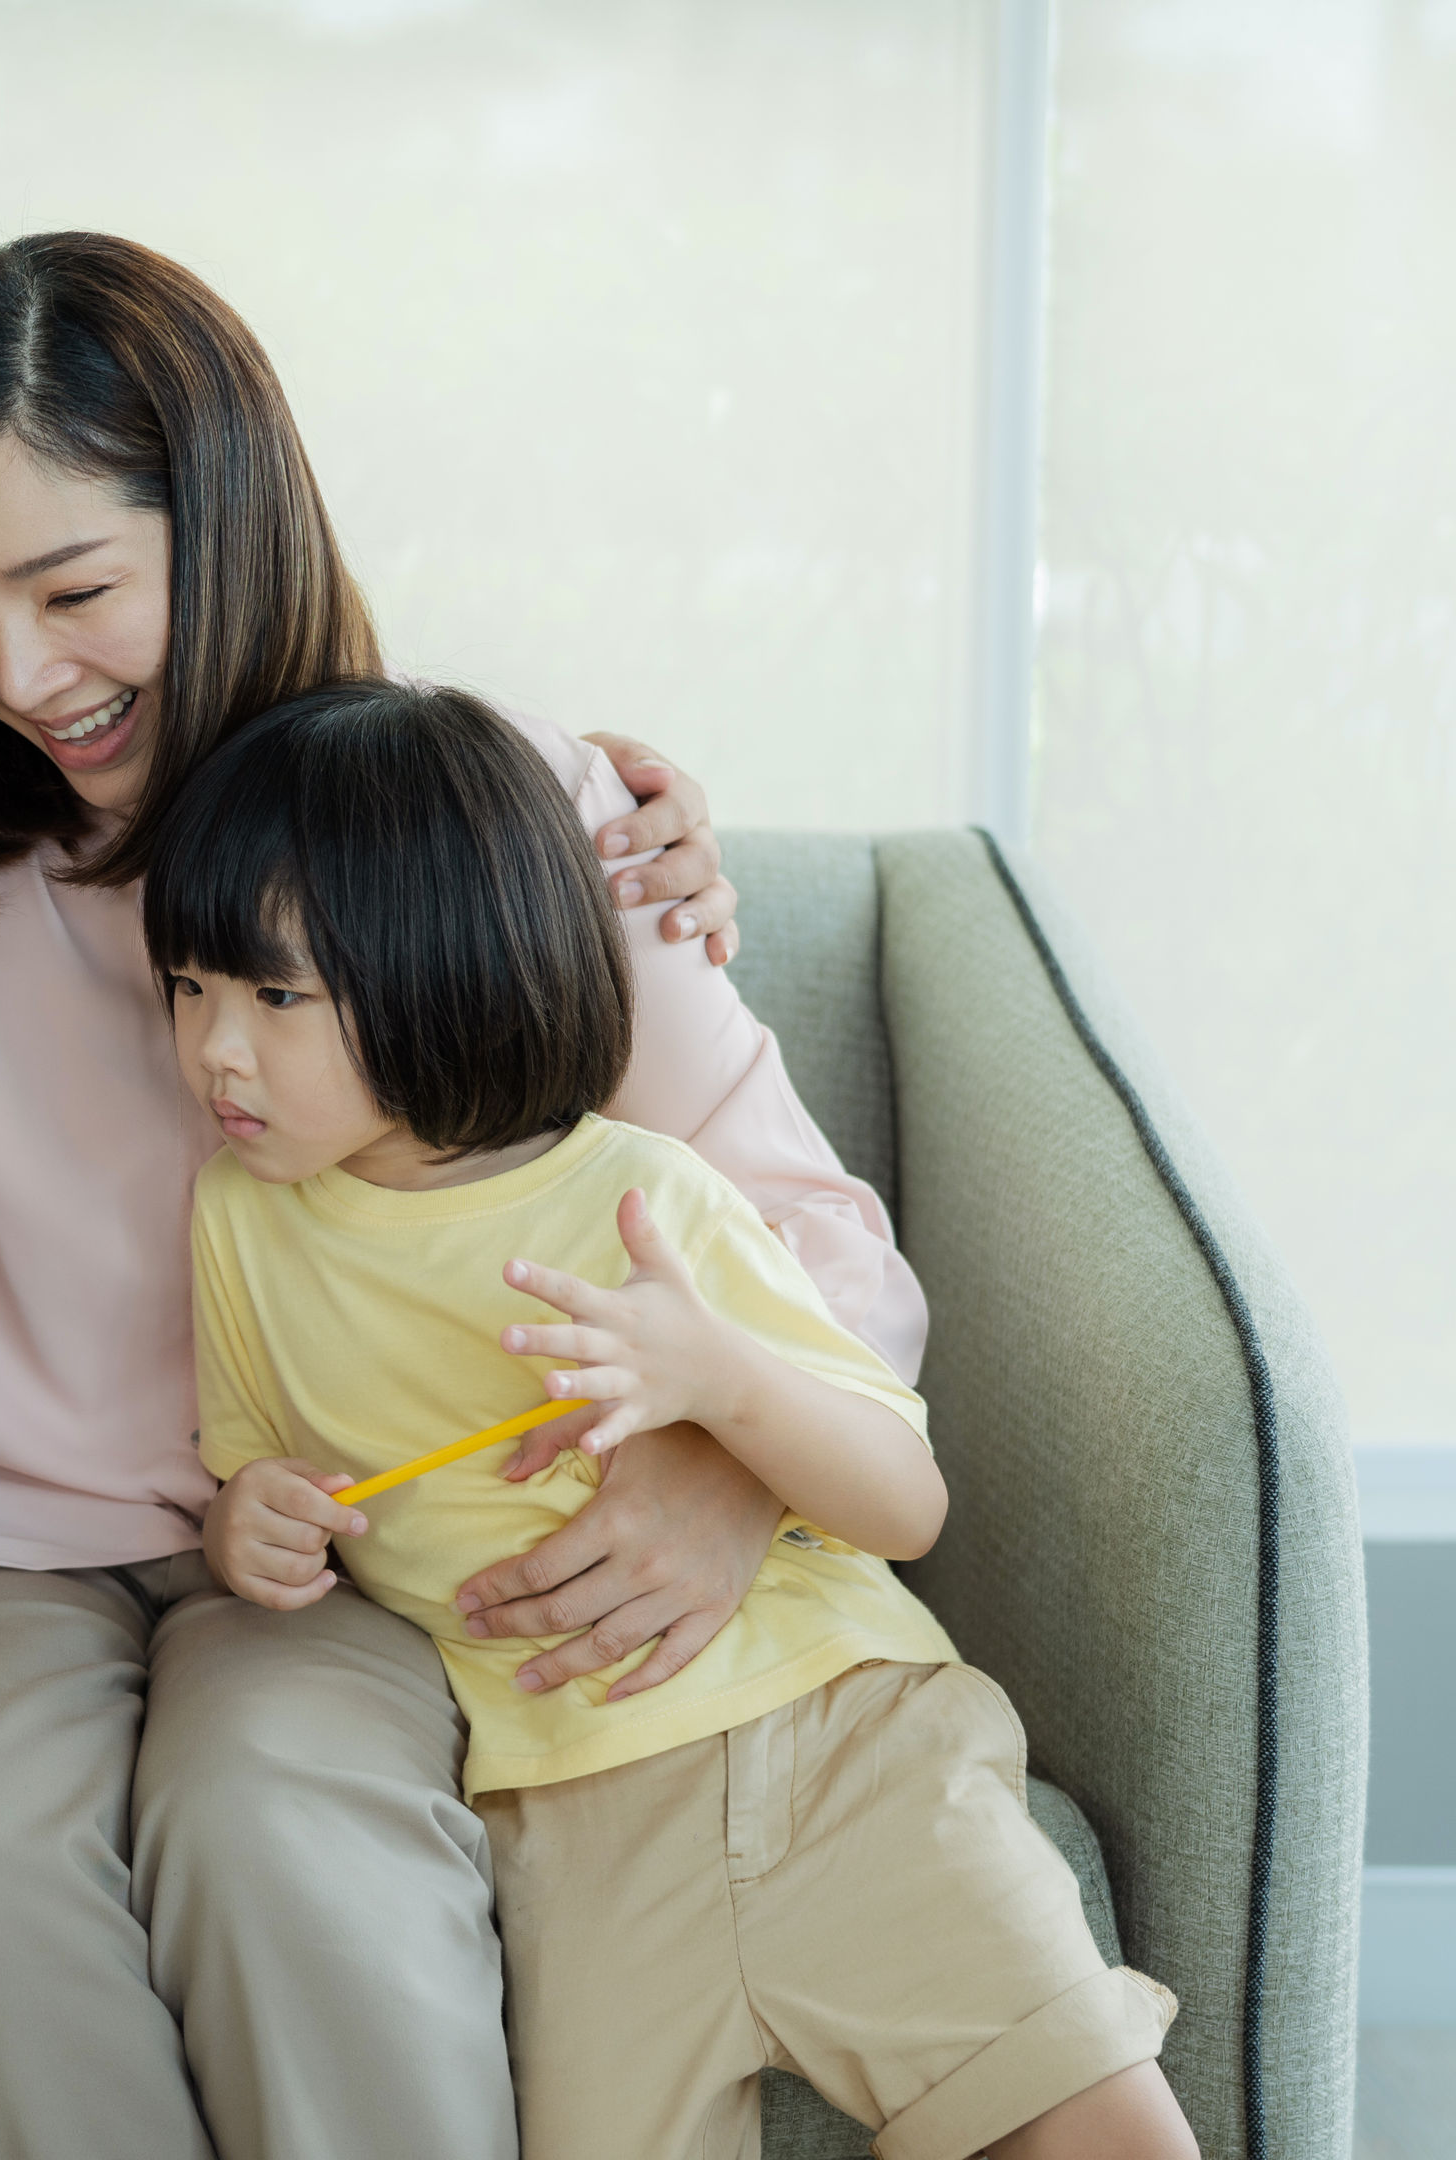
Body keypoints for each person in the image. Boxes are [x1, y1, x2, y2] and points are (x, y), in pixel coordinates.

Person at [0, 232, 908, 2159]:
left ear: (232, 522)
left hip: (365, 1535)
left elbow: (822, 1249)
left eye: (77, 587)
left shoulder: (499, 805)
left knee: (286, 1831)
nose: (17, 674)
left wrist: (732, 1458)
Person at [164, 678, 1192, 2160]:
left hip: (843, 1744)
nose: (215, 1050)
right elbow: (253, 1452)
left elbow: (907, 1504)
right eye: (187, 988)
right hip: (570, 1841)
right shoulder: (237, 1224)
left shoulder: (646, 1198)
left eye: (273, 998)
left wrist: (723, 1384)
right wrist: (243, 1520)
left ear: (437, 971)